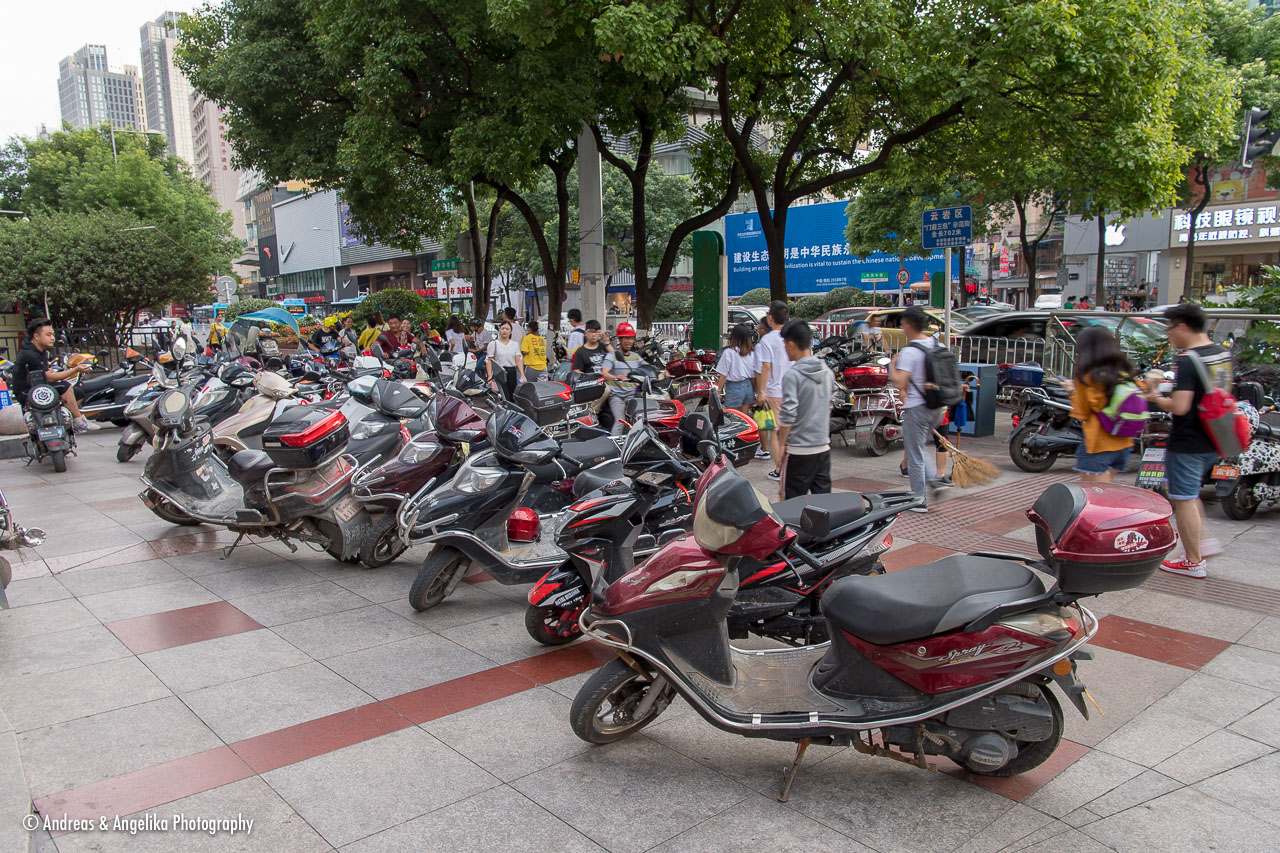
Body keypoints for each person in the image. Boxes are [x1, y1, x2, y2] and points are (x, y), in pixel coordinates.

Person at [1142, 303, 1229, 578]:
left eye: (1169, 328)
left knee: (1183, 498)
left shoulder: (1188, 360)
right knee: (1188, 493)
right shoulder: (1221, 352)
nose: (1169, 335)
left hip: (1189, 439)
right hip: (1215, 435)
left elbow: (1180, 407)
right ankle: (1203, 542)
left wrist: (1155, 396)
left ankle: (1193, 561)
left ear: (1182, 327)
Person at [891, 307, 950, 513]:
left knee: (914, 453)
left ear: (908, 325)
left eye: (902, 325)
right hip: (937, 407)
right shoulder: (937, 344)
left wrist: (893, 364)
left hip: (917, 408)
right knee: (919, 448)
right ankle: (934, 480)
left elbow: (900, 382)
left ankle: (919, 500)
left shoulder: (910, 352)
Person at [1068, 326, 1138, 483]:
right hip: (1124, 442)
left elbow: (1081, 413)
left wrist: (1072, 391)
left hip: (1098, 443)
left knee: (1096, 493)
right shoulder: (1123, 373)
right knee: (1105, 488)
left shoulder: (1087, 377)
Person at [777, 320, 833, 499]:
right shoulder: (827, 371)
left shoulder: (793, 376)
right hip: (822, 447)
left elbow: (788, 414)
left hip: (798, 451)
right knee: (823, 504)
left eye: (785, 344)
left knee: (790, 504)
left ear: (791, 344)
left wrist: (781, 443)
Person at [11, 317, 96, 432]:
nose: (52, 338)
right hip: (29, 393)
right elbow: (50, 378)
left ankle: (62, 419)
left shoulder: (39, 351)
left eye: (53, 335)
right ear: (36, 336)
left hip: (38, 387)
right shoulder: (30, 354)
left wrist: (48, 371)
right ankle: (79, 421)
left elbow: (43, 372)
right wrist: (76, 369)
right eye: (48, 335)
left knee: (78, 393)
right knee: (65, 387)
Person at [756, 301, 792, 479]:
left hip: (775, 392)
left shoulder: (768, 340)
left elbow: (766, 367)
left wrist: (761, 392)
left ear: (770, 318)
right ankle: (790, 468)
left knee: (777, 433)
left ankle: (779, 470)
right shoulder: (793, 336)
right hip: (793, 390)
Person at [601, 322, 643, 435]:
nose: (629, 341)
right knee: (620, 421)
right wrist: (616, 377)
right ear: (620, 339)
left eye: (631, 338)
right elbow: (604, 373)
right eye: (626, 338)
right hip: (617, 395)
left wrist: (660, 373)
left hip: (632, 394)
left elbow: (646, 367)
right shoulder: (611, 356)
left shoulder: (635, 356)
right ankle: (615, 445)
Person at [715, 324, 759, 412]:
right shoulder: (751, 353)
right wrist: (756, 391)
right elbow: (753, 376)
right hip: (748, 387)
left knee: (732, 416)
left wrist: (719, 391)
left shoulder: (729, 352)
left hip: (734, 387)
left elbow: (723, 375)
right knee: (744, 417)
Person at [486, 320, 524, 398]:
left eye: (507, 329)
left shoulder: (514, 344)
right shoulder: (493, 344)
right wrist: (489, 376)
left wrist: (522, 374)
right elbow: (489, 360)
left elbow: (518, 360)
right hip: (499, 372)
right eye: (503, 329)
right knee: (503, 395)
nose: (504, 331)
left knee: (512, 395)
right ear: (499, 330)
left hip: (512, 371)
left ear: (511, 331)